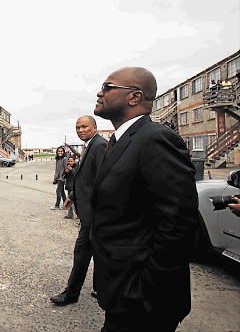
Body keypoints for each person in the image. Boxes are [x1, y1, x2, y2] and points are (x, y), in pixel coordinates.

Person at [92, 67, 198, 331]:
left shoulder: (155, 139)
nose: (99, 92)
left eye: (108, 86)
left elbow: (178, 224)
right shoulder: (122, 140)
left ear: (134, 97)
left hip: (144, 301)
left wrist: (142, 289)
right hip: (120, 291)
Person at [50, 115, 107, 305]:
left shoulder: (98, 145)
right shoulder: (89, 144)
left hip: (93, 216)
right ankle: (101, 289)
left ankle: (71, 294)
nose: (80, 130)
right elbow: (86, 178)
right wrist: (72, 197)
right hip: (90, 214)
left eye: (84, 126)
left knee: (81, 253)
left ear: (95, 127)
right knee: (97, 252)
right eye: (77, 127)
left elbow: (101, 180)